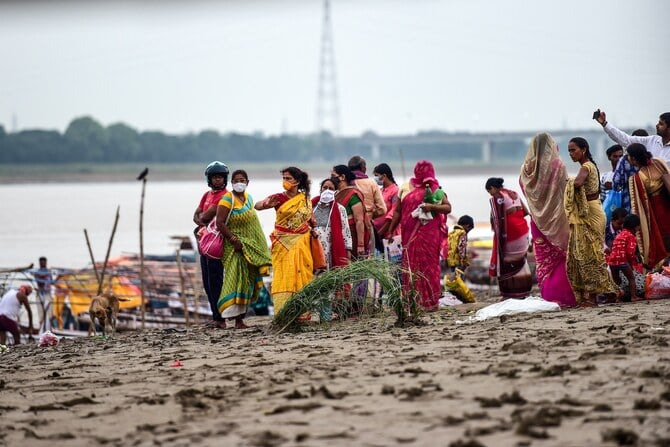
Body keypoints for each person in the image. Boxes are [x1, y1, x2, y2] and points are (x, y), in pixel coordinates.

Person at [519, 133, 576, 306]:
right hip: (558, 219)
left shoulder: (526, 169)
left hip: (537, 220)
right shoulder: (557, 165)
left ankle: (549, 295)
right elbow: (565, 189)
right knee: (561, 256)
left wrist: (539, 204)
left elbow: (524, 188)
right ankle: (565, 295)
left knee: (544, 259)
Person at [387, 160, 452, 311]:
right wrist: (391, 230)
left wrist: (432, 206)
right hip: (416, 237)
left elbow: (448, 208)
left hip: (426, 237)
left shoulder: (434, 190)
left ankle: (424, 302)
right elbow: (397, 212)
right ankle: (420, 303)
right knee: (416, 267)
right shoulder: (408, 189)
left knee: (424, 267)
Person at [565, 137, 619, 306]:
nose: (571, 154)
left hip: (591, 213)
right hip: (592, 210)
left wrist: (567, 181)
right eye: (569, 151)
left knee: (588, 255)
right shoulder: (589, 166)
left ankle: (593, 297)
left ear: (584, 149)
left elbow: (578, 183)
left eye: (573, 150)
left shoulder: (586, 167)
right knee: (591, 253)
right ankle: (609, 292)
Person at [215, 170, 272, 329]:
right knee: (235, 281)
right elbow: (220, 223)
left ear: (247, 182)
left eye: (242, 180)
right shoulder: (227, 199)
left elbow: (254, 225)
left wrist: (259, 245)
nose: (239, 182)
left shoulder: (249, 198)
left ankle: (240, 319)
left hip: (249, 248)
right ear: (231, 182)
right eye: (236, 180)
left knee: (247, 282)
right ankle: (231, 317)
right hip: (235, 248)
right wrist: (234, 240)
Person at [255, 166, 314, 314]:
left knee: (303, 274)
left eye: (288, 178)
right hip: (283, 243)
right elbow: (257, 205)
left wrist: (314, 230)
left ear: (297, 181)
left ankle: (301, 312)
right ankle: (284, 311)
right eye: (284, 178)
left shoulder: (305, 199)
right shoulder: (279, 198)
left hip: (302, 242)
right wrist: (265, 205)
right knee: (283, 275)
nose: (285, 181)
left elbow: (310, 219)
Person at [193, 161, 229, 328]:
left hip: (216, 244)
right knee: (207, 282)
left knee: (216, 281)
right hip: (204, 242)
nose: (218, 180)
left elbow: (204, 217)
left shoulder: (225, 196)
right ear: (209, 179)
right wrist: (202, 218)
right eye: (215, 177)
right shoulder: (207, 195)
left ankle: (220, 318)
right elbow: (196, 216)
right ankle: (215, 315)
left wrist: (202, 219)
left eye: (221, 177)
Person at [485, 177, 532, 299]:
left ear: (493, 188)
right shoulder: (514, 194)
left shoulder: (498, 198)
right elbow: (526, 212)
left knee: (506, 261)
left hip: (511, 235)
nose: (490, 194)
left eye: (489, 191)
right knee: (520, 261)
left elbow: (495, 218)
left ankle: (510, 293)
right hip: (523, 231)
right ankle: (523, 291)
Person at [626, 143, 670, 269]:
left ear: (634, 159)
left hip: (659, 208)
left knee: (664, 238)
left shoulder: (638, 177)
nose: (627, 158)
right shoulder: (657, 164)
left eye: (628, 156)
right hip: (657, 208)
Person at [595, 110, 670, 162]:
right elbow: (626, 140)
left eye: (661, 124)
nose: (656, 126)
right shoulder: (652, 140)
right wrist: (604, 124)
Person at [311, 178, 352, 270]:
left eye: (331, 188)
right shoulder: (311, 206)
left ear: (336, 192)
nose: (327, 190)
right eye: (325, 187)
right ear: (320, 189)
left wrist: (347, 251)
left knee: (328, 275)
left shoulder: (340, 209)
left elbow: (346, 231)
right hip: (312, 248)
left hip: (330, 249)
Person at [331, 165, 370, 259]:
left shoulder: (353, 194)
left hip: (352, 236)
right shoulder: (335, 194)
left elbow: (359, 220)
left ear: (342, 177)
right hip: (337, 235)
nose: (331, 178)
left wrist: (360, 245)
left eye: (333, 175)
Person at [606, 214, 644, 302]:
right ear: (636, 227)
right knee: (631, 278)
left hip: (612, 261)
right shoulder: (631, 236)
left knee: (616, 281)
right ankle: (633, 296)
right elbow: (630, 253)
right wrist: (631, 263)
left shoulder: (620, 234)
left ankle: (617, 297)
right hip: (622, 260)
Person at [611, 129, 649, 213]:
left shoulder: (624, 160)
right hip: (648, 203)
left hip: (629, 203)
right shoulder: (651, 160)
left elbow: (616, 185)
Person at [371, 163, 400, 253]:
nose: (375, 178)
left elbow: (393, 213)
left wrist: (381, 233)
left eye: (376, 175)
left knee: (392, 262)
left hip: (390, 234)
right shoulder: (380, 190)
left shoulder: (395, 190)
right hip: (378, 234)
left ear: (384, 176)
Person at [33, 256, 53, 331]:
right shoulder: (37, 272)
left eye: (43, 262)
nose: (42, 264)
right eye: (41, 263)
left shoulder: (48, 272)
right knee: (41, 313)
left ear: (46, 262)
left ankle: (49, 329)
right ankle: (42, 328)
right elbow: (39, 281)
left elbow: (51, 281)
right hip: (40, 294)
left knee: (49, 313)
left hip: (47, 293)